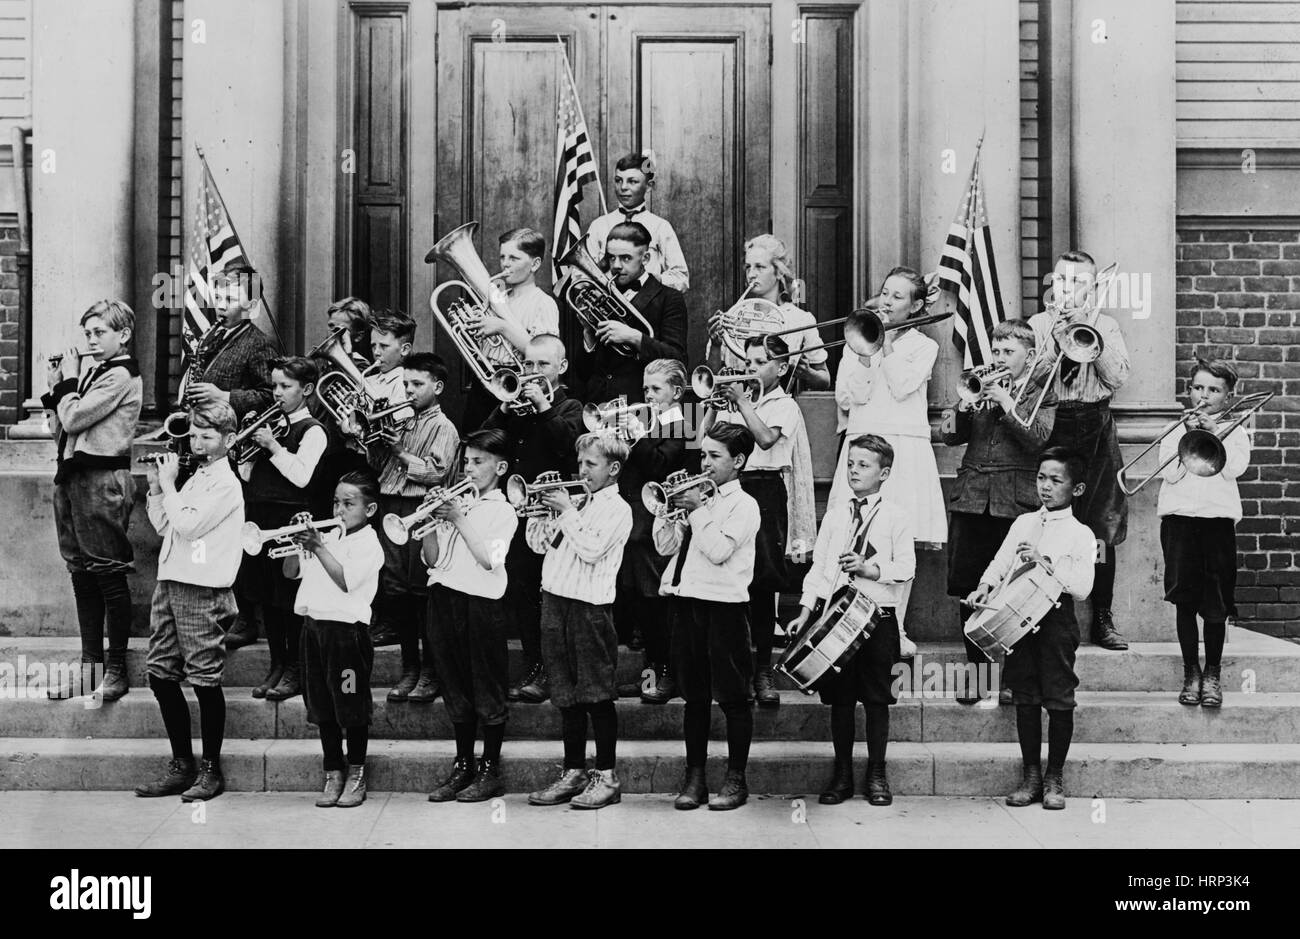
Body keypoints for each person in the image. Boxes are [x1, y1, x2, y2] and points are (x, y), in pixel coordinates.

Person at [786, 434, 914, 805]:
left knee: (878, 700)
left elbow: (907, 568)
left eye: (864, 465)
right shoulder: (837, 515)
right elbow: (820, 569)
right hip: (837, 619)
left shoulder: (896, 517)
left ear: (884, 472)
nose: (854, 471)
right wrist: (806, 613)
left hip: (878, 618)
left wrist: (870, 569)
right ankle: (841, 772)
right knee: (841, 700)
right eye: (851, 463)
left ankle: (877, 773)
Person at [965, 447, 1096, 811]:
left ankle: (1055, 777)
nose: (1045, 487)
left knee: (1058, 697)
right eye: (1041, 478)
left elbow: (1083, 588)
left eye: (1056, 481)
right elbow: (1001, 561)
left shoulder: (1080, 533)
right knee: (1024, 696)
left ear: (1077, 489)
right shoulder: (1023, 522)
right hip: (1019, 622)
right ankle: (1031, 775)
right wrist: (984, 587)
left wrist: (1046, 563)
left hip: (1056, 621)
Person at [829, 266, 946, 657]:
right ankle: (847, 621)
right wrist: (864, 356)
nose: (886, 302)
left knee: (897, 542)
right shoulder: (856, 340)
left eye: (897, 297)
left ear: (915, 307)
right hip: (864, 440)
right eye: (884, 293)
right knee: (853, 533)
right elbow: (847, 398)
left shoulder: (923, 346)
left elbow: (903, 386)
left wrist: (888, 344)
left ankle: (894, 627)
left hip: (904, 447)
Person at [942, 319, 1056, 705]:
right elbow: (949, 435)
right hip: (973, 499)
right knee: (969, 589)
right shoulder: (978, 385)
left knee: (1015, 591)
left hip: (1014, 503)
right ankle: (978, 676)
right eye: (996, 351)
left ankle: (1013, 679)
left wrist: (1007, 403)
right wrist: (964, 403)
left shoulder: (1041, 392)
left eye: (1008, 352)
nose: (999, 359)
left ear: (1030, 355)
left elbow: (1038, 439)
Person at [134, 403, 244, 802]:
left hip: (203, 589)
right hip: (171, 583)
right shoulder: (194, 477)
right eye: (194, 435)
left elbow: (190, 524)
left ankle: (211, 769)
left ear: (229, 441)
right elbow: (165, 525)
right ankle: (182, 764)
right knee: (160, 674)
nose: (196, 442)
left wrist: (171, 485)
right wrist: (157, 487)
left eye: (207, 436)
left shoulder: (226, 485)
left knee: (204, 678)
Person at [700, 334, 816, 707]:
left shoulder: (785, 405)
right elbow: (703, 436)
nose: (750, 368)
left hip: (766, 489)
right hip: (731, 487)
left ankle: (763, 668)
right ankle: (732, 669)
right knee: (728, 578)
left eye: (760, 361)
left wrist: (742, 402)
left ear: (780, 368)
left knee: (762, 582)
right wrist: (715, 403)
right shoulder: (735, 398)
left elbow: (765, 439)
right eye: (747, 361)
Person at [654, 422, 761, 811]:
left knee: (733, 698)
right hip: (686, 602)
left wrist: (697, 511)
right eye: (703, 454)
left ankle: (736, 779)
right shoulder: (700, 499)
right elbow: (665, 547)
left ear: (739, 461)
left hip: (725, 608)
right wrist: (667, 514)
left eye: (715, 456)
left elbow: (717, 551)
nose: (705, 462)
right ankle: (695, 777)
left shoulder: (743, 505)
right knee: (694, 698)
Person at [1028, 250, 1131, 651]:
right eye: (1062, 282)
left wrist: (1089, 333)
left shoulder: (1107, 325)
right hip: (1054, 424)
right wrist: (1058, 341)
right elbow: (1033, 380)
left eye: (1079, 284)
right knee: (1045, 518)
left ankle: (1102, 616)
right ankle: (1044, 612)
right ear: (1052, 285)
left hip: (1096, 425)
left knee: (1100, 527)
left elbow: (1118, 376)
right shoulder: (1038, 325)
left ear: (1094, 288)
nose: (1069, 290)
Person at [42, 299, 143, 702]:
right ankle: (90, 669)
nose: (91, 340)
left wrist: (66, 384)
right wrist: (56, 386)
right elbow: (60, 432)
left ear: (124, 335)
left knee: (108, 575)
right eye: (88, 333)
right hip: (73, 481)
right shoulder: (91, 375)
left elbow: (75, 418)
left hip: (102, 482)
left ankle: (115, 669)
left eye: (100, 332)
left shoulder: (121, 374)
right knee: (81, 575)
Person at [526, 433, 633, 809]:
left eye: (591, 464)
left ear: (613, 469)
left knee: (596, 695)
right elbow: (540, 547)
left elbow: (590, 550)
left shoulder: (618, 509)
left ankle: (607, 777)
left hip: (590, 609)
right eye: (581, 462)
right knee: (566, 696)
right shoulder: (573, 503)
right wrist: (542, 515)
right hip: (555, 601)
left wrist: (566, 511)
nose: (581, 470)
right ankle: (573, 772)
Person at [480, 333, 585, 703]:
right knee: (523, 594)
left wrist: (543, 406)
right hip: (517, 515)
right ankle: (534, 666)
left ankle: (555, 671)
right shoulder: (515, 406)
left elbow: (567, 446)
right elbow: (483, 440)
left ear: (562, 367)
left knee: (551, 596)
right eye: (528, 364)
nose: (533, 372)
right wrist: (503, 410)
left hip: (552, 517)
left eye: (542, 364)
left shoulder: (572, 406)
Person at [424, 430, 520, 803]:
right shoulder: (457, 502)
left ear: (500, 467)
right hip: (444, 598)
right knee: (455, 685)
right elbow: (432, 560)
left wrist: (458, 518)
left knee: (486, 686)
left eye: (478, 462)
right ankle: (462, 765)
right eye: (466, 461)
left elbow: (489, 559)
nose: (469, 468)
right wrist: (431, 525)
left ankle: (489, 769)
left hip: (480, 605)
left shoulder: (503, 510)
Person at [190, 261, 278, 651]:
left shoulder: (259, 343)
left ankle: (246, 617)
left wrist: (225, 397)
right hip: (205, 450)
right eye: (218, 295)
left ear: (252, 303)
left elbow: (270, 395)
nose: (220, 303)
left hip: (238, 456)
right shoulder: (213, 336)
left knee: (233, 535)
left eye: (230, 297)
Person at [284, 471, 384, 808]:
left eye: (348, 504)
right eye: (336, 502)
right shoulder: (327, 536)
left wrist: (318, 545)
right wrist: (295, 541)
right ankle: (333, 771)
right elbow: (290, 573)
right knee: (322, 705)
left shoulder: (370, 544)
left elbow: (345, 580)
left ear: (369, 510)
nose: (339, 510)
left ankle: (356, 772)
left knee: (350, 704)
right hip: (313, 630)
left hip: (346, 636)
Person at [364, 352, 460, 702]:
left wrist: (402, 452)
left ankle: (431, 671)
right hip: (391, 506)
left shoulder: (444, 426)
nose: (408, 391)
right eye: (405, 384)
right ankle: (409, 668)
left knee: (422, 592)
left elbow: (436, 472)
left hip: (421, 510)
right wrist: (373, 441)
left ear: (437, 387)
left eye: (417, 384)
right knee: (397, 590)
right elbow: (378, 467)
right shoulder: (401, 421)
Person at [1158, 360, 1252, 709]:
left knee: (1215, 603)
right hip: (1179, 521)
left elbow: (1235, 469)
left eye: (1213, 390)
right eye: (1199, 388)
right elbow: (1168, 476)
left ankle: (1212, 672)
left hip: (1217, 523)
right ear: (1190, 390)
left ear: (1228, 396)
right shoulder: (1174, 428)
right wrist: (1187, 435)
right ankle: (1191, 672)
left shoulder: (1237, 430)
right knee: (1185, 600)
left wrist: (1216, 435)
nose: (1204, 395)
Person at [235, 356, 327, 702]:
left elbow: (302, 476)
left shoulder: (312, 430)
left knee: (288, 599)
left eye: (285, 387)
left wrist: (272, 446)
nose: (276, 393)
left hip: (290, 519)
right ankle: (277, 664)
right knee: (267, 598)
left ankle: (296, 669)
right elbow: (247, 476)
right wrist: (248, 452)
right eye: (274, 385)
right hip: (260, 516)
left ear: (306, 390)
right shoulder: (271, 424)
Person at [614, 358, 693, 702]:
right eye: (645, 388)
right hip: (632, 521)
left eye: (656, 389)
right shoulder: (648, 419)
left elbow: (661, 463)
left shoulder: (682, 422)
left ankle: (668, 674)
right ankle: (649, 677)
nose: (648, 395)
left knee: (656, 603)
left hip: (655, 523)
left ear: (676, 392)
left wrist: (636, 435)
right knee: (637, 603)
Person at [573, 221, 687, 406]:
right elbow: (583, 372)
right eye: (611, 258)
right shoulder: (600, 295)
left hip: (640, 407)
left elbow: (678, 360)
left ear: (646, 258)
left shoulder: (669, 297)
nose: (616, 265)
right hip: (598, 407)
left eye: (626, 258)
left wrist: (635, 337)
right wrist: (588, 335)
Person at [461, 227, 561, 431]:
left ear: (535, 264)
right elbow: (480, 347)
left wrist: (501, 327)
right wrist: (474, 326)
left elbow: (545, 354)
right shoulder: (497, 297)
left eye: (514, 258)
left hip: (516, 384)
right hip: (484, 381)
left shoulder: (543, 303)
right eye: (502, 257)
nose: (505, 263)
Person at [706, 234, 830, 394]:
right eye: (748, 267)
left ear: (779, 272)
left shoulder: (801, 319)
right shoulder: (734, 315)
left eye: (760, 267)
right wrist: (715, 345)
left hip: (777, 410)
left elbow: (825, 380)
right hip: (733, 409)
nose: (751, 274)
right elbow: (711, 378)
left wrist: (807, 373)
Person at [583, 151, 689, 291]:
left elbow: (681, 278)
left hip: (648, 305)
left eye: (632, 181)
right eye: (618, 180)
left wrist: (654, 280)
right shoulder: (599, 225)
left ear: (649, 186)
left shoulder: (661, 227)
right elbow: (580, 277)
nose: (623, 187)